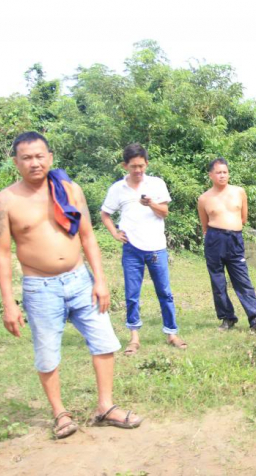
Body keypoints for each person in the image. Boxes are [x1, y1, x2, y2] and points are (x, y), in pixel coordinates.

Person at [0, 131, 142, 440]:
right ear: (15, 162)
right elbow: (3, 256)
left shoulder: (69, 190)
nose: (34, 163)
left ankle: (106, 406)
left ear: (50, 157)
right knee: (47, 353)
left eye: (39, 156)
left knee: (104, 342)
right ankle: (60, 413)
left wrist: (100, 280)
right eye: (26, 158)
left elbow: (87, 236)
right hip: (39, 287)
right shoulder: (5, 201)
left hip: (80, 280)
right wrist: (9, 303)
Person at [100, 143, 187, 355]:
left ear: (147, 164)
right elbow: (105, 214)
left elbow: (164, 212)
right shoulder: (117, 189)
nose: (138, 170)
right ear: (125, 166)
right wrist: (114, 232)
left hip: (156, 248)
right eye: (133, 166)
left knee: (165, 292)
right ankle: (134, 338)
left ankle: (171, 333)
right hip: (131, 249)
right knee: (132, 294)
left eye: (141, 166)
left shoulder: (157, 184)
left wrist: (151, 204)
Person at [196, 158, 256, 333]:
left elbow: (243, 218)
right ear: (210, 175)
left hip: (235, 239)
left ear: (228, 173)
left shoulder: (239, 192)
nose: (222, 175)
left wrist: (232, 231)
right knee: (218, 281)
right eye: (218, 172)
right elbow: (204, 225)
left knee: (243, 280)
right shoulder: (204, 198)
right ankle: (227, 318)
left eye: (225, 172)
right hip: (214, 239)